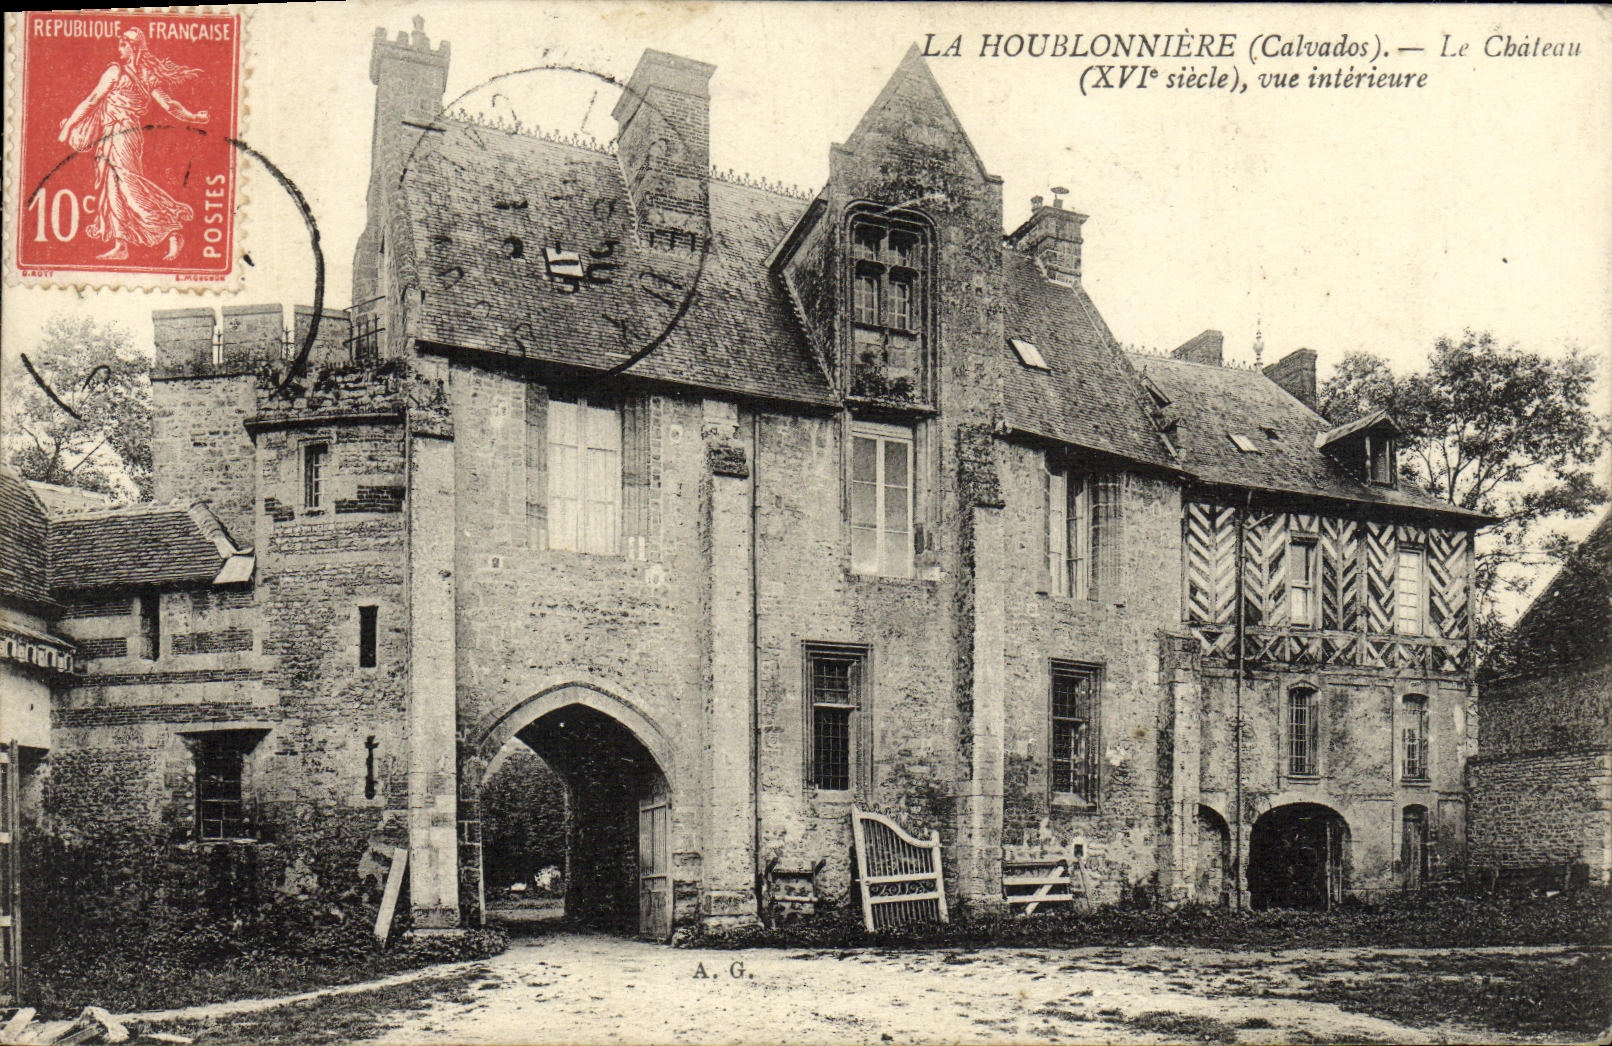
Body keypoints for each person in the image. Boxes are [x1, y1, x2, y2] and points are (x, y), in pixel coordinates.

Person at [57, 28, 210, 261]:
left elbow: (92, 100)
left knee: (128, 186)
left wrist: (69, 127)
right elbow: (170, 106)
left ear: (133, 47)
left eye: (122, 44)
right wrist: (194, 117)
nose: (119, 49)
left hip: (123, 135)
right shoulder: (141, 73)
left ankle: (170, 229)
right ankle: (121, 245)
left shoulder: (118, 72)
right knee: (112, 188)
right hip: (116, 134)